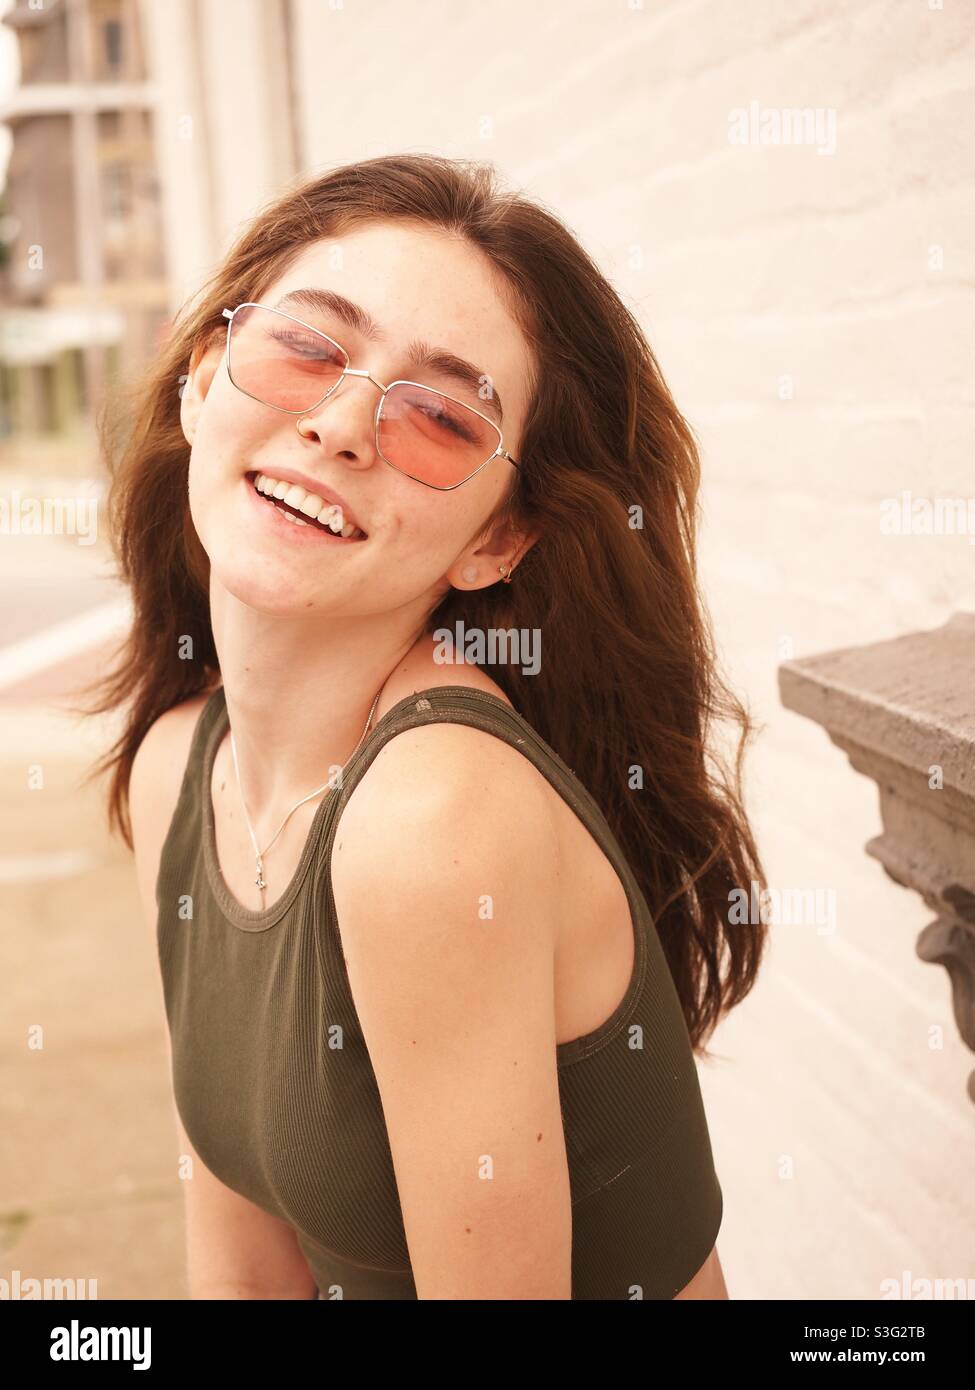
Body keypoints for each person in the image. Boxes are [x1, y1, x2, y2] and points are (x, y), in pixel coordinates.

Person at [85, 153, 768, 1300]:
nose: (345, 424)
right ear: (206, 376)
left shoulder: (432, 816)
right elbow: (243, 1271)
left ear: (498, 542)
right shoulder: (175, 771)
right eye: (307, 347)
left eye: (443, 417)